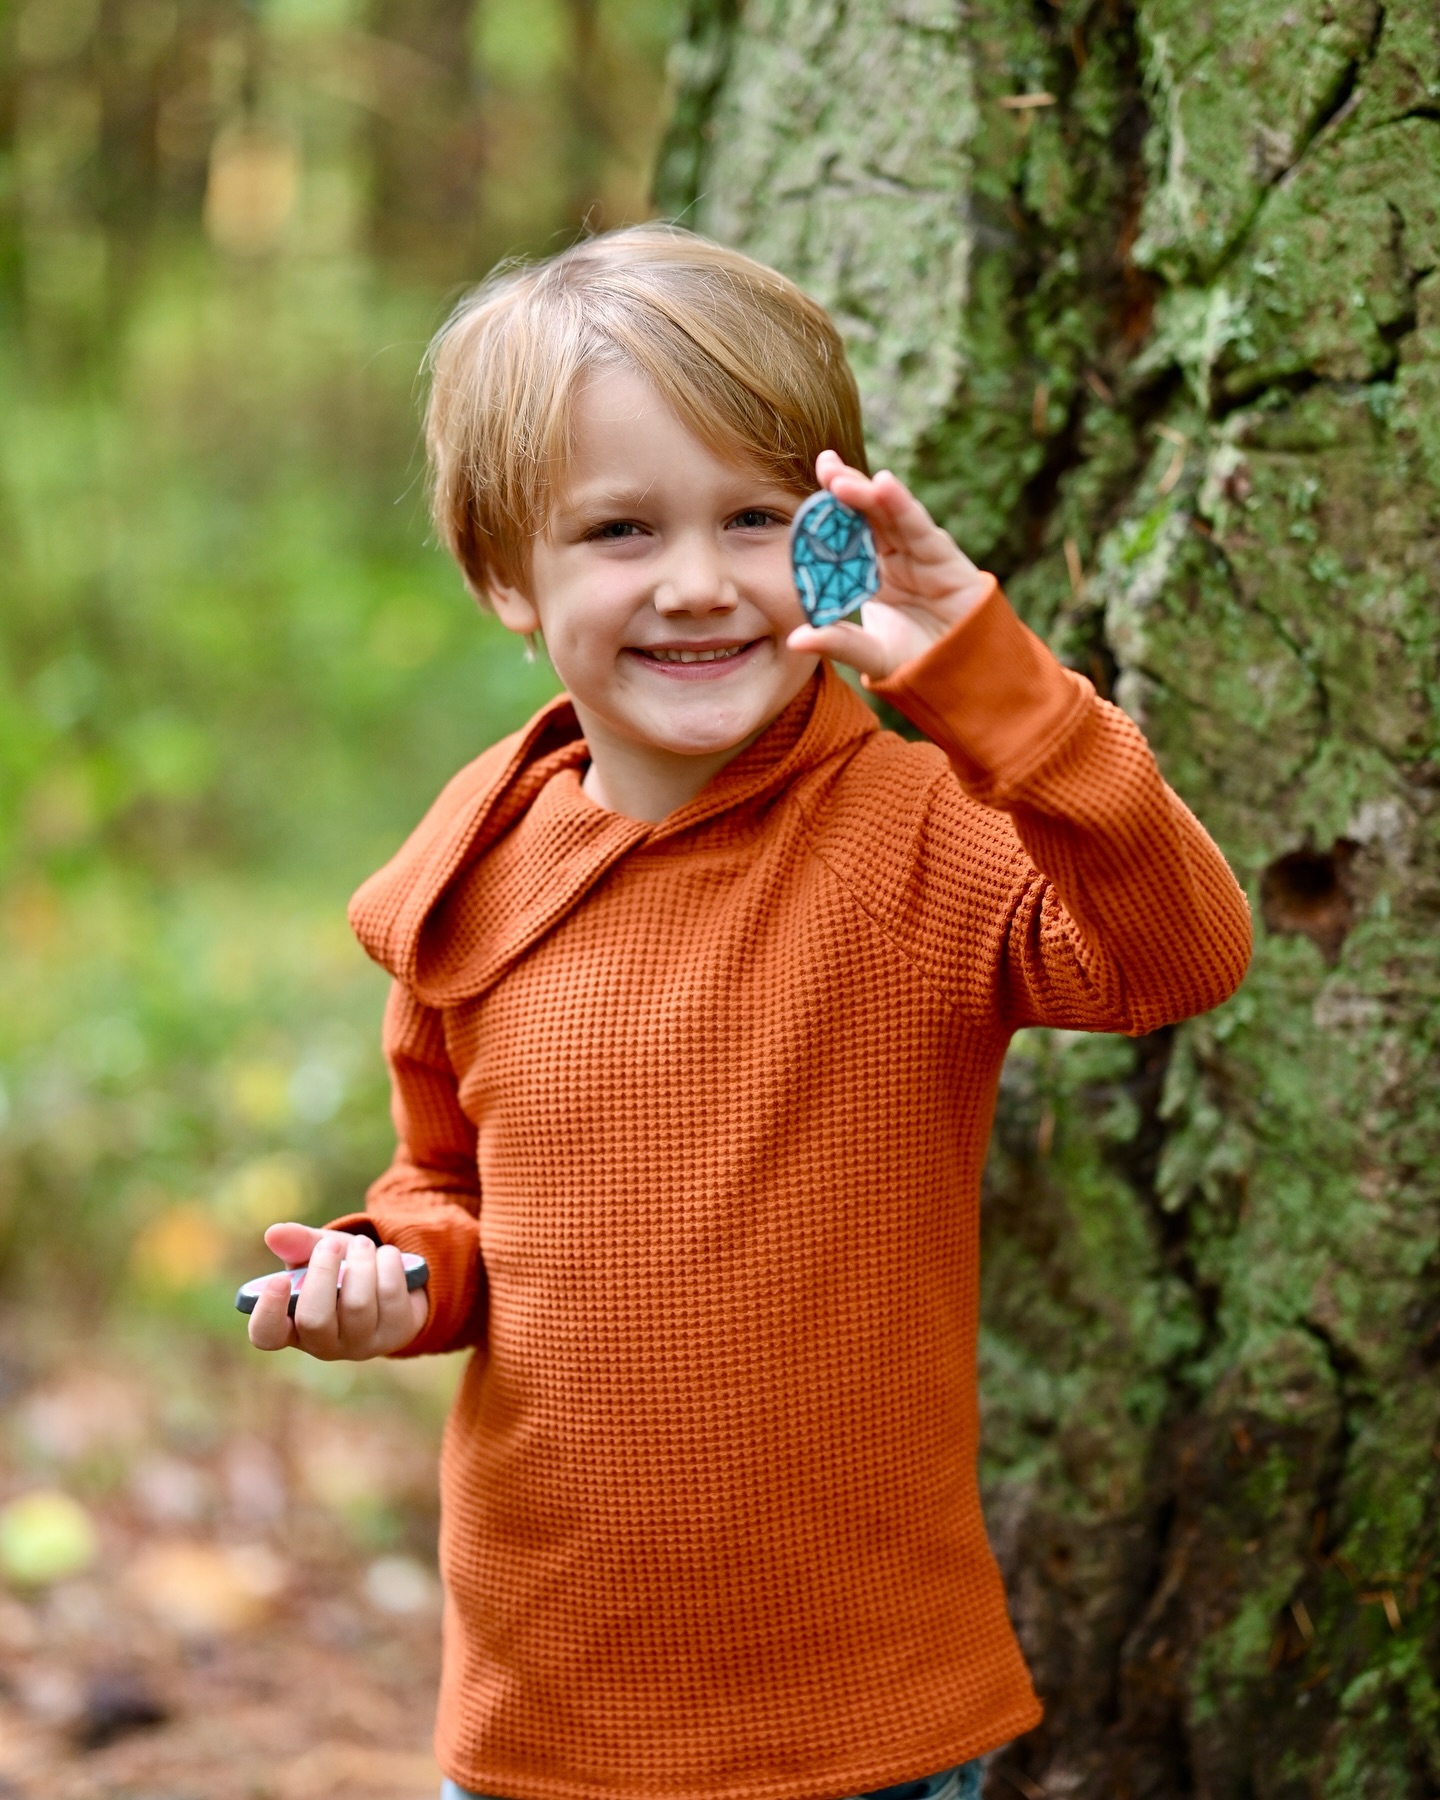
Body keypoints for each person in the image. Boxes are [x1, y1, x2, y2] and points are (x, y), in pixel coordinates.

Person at [245, 225, 1251, 1800]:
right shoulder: (478, 873)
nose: (701, 584)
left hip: (863, 1721)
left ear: (837, 541)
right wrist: (395, 1279)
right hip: (548, 1710)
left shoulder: (914, 831)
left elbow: (1178, 954)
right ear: (508, 573)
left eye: (760, 520)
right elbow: (449, 1198)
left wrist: (990, 682)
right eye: (622, 530)